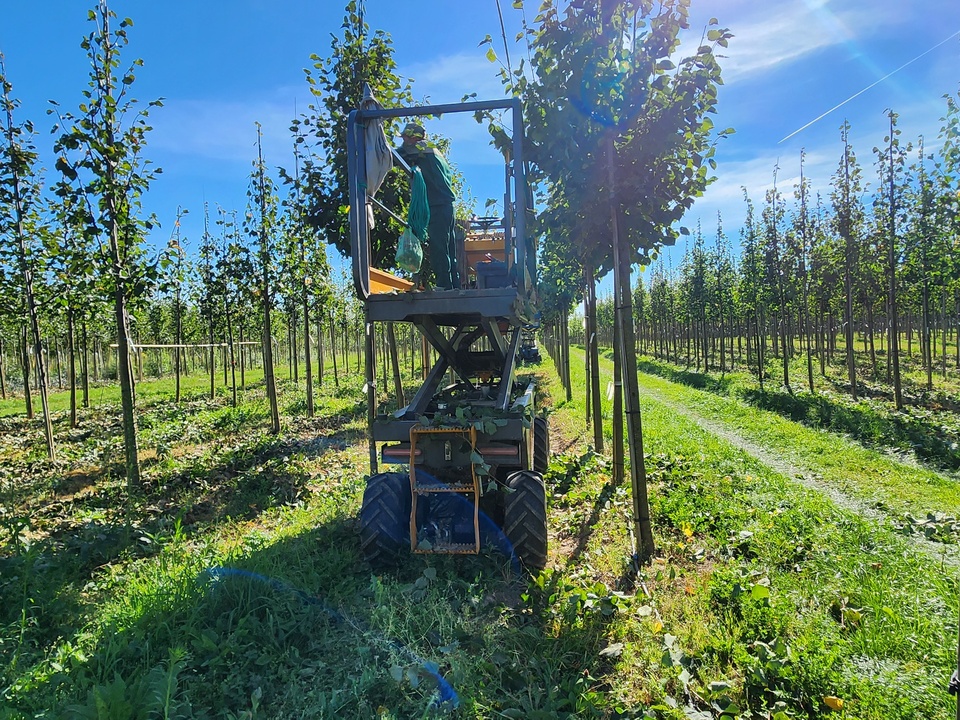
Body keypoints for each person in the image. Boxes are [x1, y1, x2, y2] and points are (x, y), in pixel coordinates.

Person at [397, 122, 460, 290]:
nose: (403, 141)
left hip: (437, 205)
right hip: (447, 205)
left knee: (439, 247)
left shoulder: (419, 148)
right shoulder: (434, 150)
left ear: (412, 137)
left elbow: (396, 156)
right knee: (449, 249)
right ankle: (454, 285)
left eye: (405, 137)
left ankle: (444, 286)